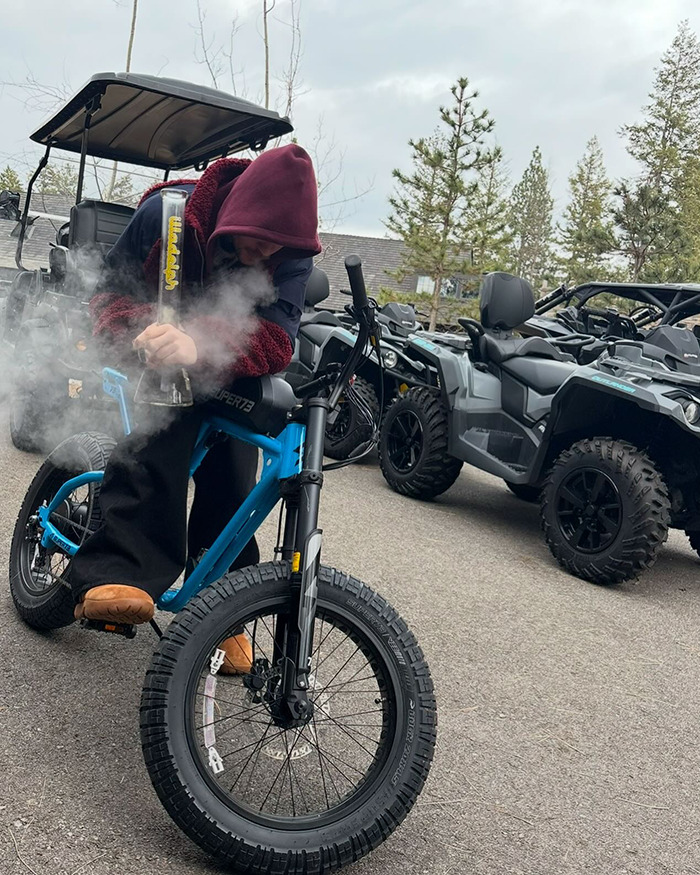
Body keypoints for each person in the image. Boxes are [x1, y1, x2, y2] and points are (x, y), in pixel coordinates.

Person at [69, 144, 321, 672]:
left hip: (220, 364)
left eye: (279, 252)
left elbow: (277, 340)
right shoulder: (166, 214)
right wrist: (146, 331)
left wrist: (200, 345)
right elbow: (105, 297)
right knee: (165, 420)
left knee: (238, 459)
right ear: (238, 213)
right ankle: (121, 569)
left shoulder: (291, 253)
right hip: (146, 348)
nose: (267, 258)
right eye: (259, 242)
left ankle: (223, 608)